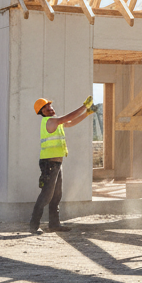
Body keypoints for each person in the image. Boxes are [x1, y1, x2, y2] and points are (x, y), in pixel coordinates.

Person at [29, 94, 93, 234]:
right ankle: (33, 226)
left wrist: (87, 113)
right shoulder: (50, 121)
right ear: (42, 112)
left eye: (50, 106)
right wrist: (84, 106)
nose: (50, 109)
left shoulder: (55, 122)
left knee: (56, 195)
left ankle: (54, 224)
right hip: (49, 163)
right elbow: (67, 118)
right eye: (46, 108)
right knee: (46, 195)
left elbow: (70, 123)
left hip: (56, 163)